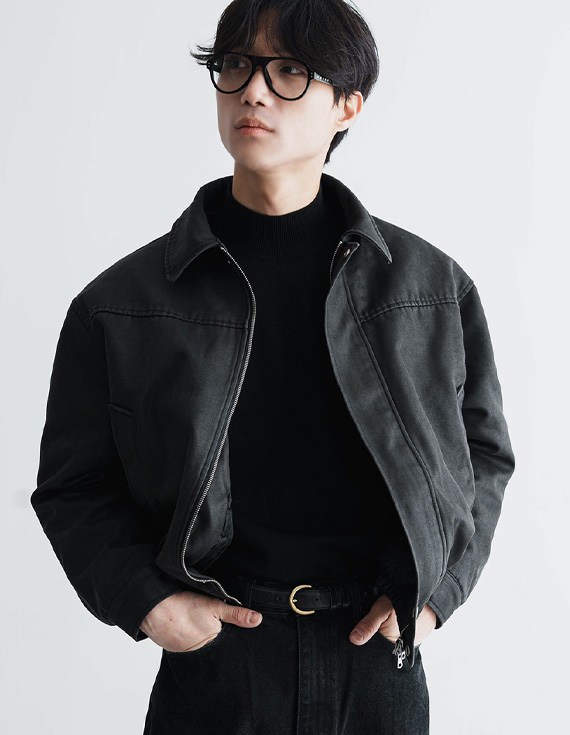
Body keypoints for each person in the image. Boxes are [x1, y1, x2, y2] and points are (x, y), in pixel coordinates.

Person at [30, 1, 516, 733]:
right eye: (236, 66)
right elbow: (74, 485)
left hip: (375, 660)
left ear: (347, 105)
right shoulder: (122, 304)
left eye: (290, 71)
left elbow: (482, 456)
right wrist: (147, 600)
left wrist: (436, 594)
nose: (254, 91)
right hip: (218, 665)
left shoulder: (431, 289)